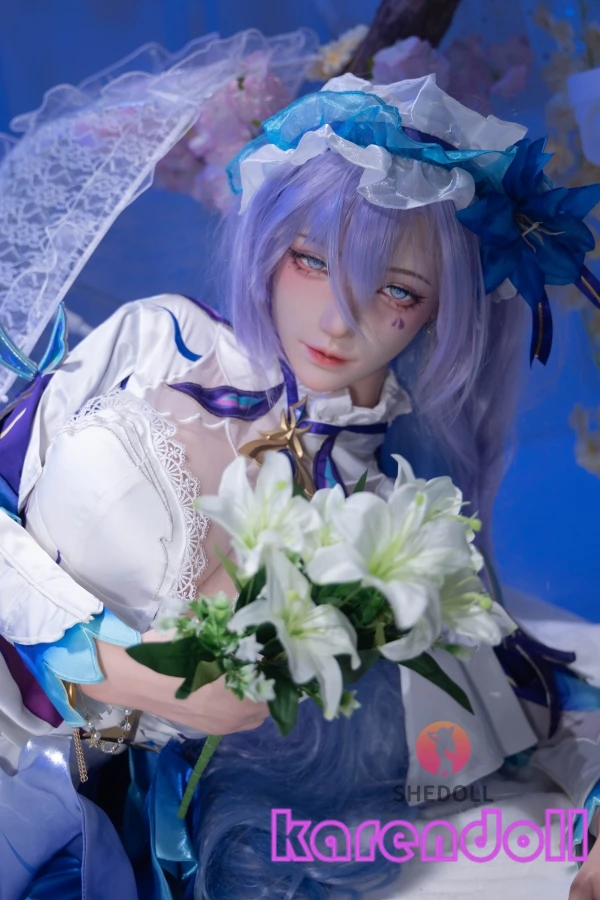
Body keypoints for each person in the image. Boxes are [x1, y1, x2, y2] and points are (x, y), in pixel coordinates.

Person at [0, 45, 599, 900]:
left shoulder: (392, 509)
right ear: (269, 243)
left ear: (444, 309)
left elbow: (528, 693)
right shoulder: (161, 341)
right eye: (312, 261)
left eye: (396, 290)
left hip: (110, 824)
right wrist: (104, 664)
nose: (337, 318)